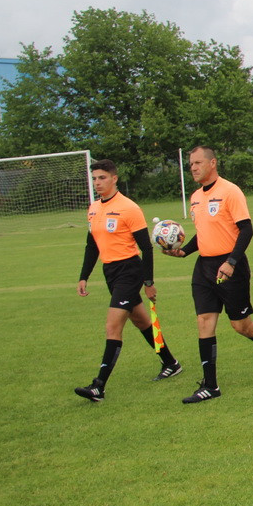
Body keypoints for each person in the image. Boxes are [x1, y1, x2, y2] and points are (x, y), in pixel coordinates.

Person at [163, 146, 253, 404]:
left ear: (213, 163)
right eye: (191, 164)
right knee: (204, 321)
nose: (193, 168)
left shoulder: (230, 191)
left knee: (241, 325)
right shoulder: (195, 197)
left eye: (198, 163)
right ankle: (210, 385)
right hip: (204, 268)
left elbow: (246, 230)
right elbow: (204, 233)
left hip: (231, 267)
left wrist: (231, 262)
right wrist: (184, 252)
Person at [73, 160, 183, 402]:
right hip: (110, 272)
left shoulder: (129, 208)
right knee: (141, 321)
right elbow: (92, 246)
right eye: (94, 178)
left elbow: (146, 248)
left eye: (102, 178)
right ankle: (170, 363)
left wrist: (148, 282)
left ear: (114, 178)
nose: (97, 183)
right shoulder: (93, 208)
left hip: (129, 271)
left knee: (112, 327)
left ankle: (98, 386)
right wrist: (84, 276)